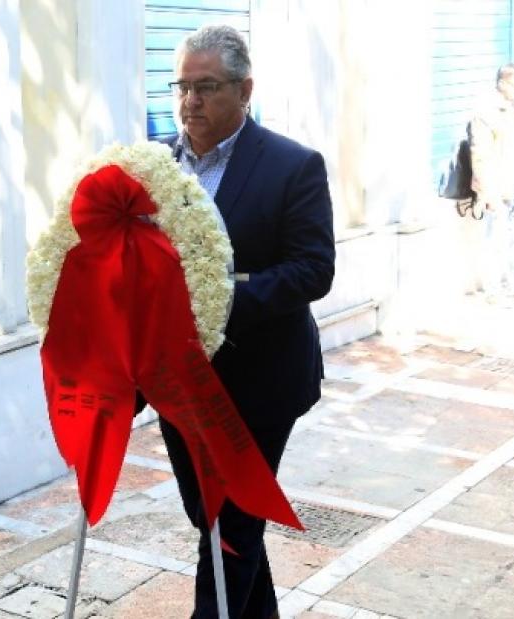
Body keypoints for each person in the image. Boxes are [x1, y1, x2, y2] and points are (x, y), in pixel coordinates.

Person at [139, 24, 335, 618]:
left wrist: (214, 300)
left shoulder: (293, 165)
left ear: (244, 90)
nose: (190, 101)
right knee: (213, 517)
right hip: (179, 383)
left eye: (206, 87)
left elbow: (313, 269)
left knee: (232, 527)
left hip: (259, 382)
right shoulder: (153, 164)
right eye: (181, 87)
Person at [469, 63, 514, 300]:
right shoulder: (486, 112)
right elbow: (479, 154)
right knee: (496, 241)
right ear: (503, 84)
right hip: (497, 186)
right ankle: (494, 291)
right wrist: (486, 192)